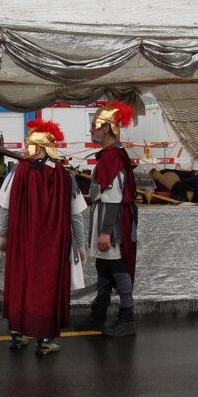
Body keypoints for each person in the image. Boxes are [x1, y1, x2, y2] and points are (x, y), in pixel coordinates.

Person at [0, 119, 87, 356]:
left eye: (28, 145)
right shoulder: (64, 176)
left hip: (22, 241)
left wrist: (3, 237)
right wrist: (81, 244)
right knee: (46, 287)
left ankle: (17, 333)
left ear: (37, 147)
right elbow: (76, 214)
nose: (24, 149)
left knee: (21, 283)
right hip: (51, 246)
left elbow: (5, 208)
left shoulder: (16, 172)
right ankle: (45, 339)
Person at [75, 101, 139, 337]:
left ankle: (127, 318)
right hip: (106, 219)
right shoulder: (108, 156)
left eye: (95, 126)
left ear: (107, 128)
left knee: (118, 267)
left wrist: (106, 231)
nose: (91, 130)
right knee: (104, 266)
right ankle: (99, 314)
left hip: (113, 224)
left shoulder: (113, 157)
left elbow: (113, 198)